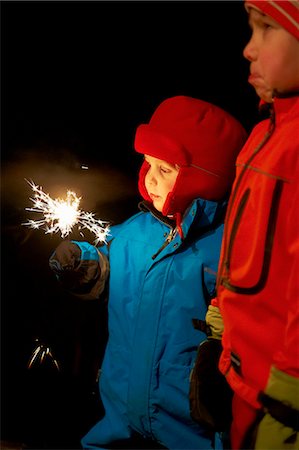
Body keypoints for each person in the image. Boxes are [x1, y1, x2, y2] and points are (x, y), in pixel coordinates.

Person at [49, 95, 247, 449]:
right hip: (118, 423)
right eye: (147, 164)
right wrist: (84, 264)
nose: (150, 179)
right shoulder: (134, 232)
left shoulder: (228, 249)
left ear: (203, 176)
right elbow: (111, 268)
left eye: (165, 169)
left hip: (190, 431)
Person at [193, 2, 299, 449]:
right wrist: (219, 338)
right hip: (244, 386)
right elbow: (245, 257)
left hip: (281, 403)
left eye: (267, 28)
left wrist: (289, 392)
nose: (247, 49)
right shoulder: (262, 137)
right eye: (250, 28)